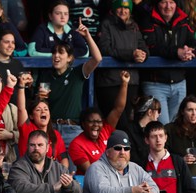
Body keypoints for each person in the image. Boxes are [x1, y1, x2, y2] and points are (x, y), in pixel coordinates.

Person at [37, 19, 102, 147]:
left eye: (61, 52)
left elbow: (97, 58)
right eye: (54, 52)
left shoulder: (76, 73)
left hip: (72, 130)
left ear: (70, 58)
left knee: (73, 167)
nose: (56, 56)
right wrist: (40, 97)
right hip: (51, 129)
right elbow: (41, 104)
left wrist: (87, 36)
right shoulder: (46, 76)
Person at [138, 0, 196, 124]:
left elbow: (192, 42)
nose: (168, 6)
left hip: (179, 82)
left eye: (171, 2)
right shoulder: (148, 20)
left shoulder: (184, 19)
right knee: (161, 127)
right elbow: (151, 47)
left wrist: (190, 51)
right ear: (157, 4)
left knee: (177, 127)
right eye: (164, 2)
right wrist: (177, 52)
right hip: (155, 83)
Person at [96, 0, 149, 131]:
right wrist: (131, 54)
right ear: (114, 9)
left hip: (132, 81)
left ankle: (125, 150)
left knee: (129, 121)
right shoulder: (106, 24)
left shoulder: (134, 26)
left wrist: (143, 55)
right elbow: (104, 49)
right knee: (116, 122)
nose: (123, 11)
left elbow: (143, 46)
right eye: (120, 7)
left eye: (126, 8)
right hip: (110, 82)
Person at [68, 70, 129, 175]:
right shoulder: (76, 144)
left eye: (99, 122)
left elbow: (118, 109)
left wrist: (124, 83)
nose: (96, 125)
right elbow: (91, 172)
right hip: (93, 184)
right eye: (91, 122)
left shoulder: (106, 130)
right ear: (83, 124)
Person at [82, 129, 160, 193]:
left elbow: (155, 190)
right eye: (118, 148)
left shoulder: (135, 168)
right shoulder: (96, 168)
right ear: (107, 152)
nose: (122, 152)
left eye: (126, 149)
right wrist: (132, 191)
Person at [8, 130, 82, 193]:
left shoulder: (59, 168)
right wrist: (52, 188)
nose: (36, 148)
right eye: (32, 145)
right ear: (27, 146)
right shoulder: (18, 167)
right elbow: (20, 189)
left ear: (47, 148)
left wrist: (69, 185)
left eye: (40, 145)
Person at [17, 76, 70, 169]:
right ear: (31, 116)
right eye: (38, 110)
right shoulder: (27, 129)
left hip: (49, 176)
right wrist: (21, 86)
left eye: (46, 109)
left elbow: (63, 158)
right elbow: (21, 109)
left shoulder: (55, 135)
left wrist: (63, 173)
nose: (43, 112)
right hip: (28, 173)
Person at [144, 121, 196, 193]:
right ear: (147, 140)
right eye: (154, 136)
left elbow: (191, 191)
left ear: (166, 138)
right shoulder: (141, 164)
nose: (158, 140)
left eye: (161, 136)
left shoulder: (178, 162)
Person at [165, 95, 196, 175]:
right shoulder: (169, 129)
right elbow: (162, 155)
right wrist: (181, 160)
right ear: (182, 111)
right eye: (190, 110)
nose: (194, 113)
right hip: (175, 173)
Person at [126, 96, 161, 165]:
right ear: (150, 112)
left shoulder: (156, 130)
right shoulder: (129, 131)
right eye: (158, 110)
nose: (160, 114)